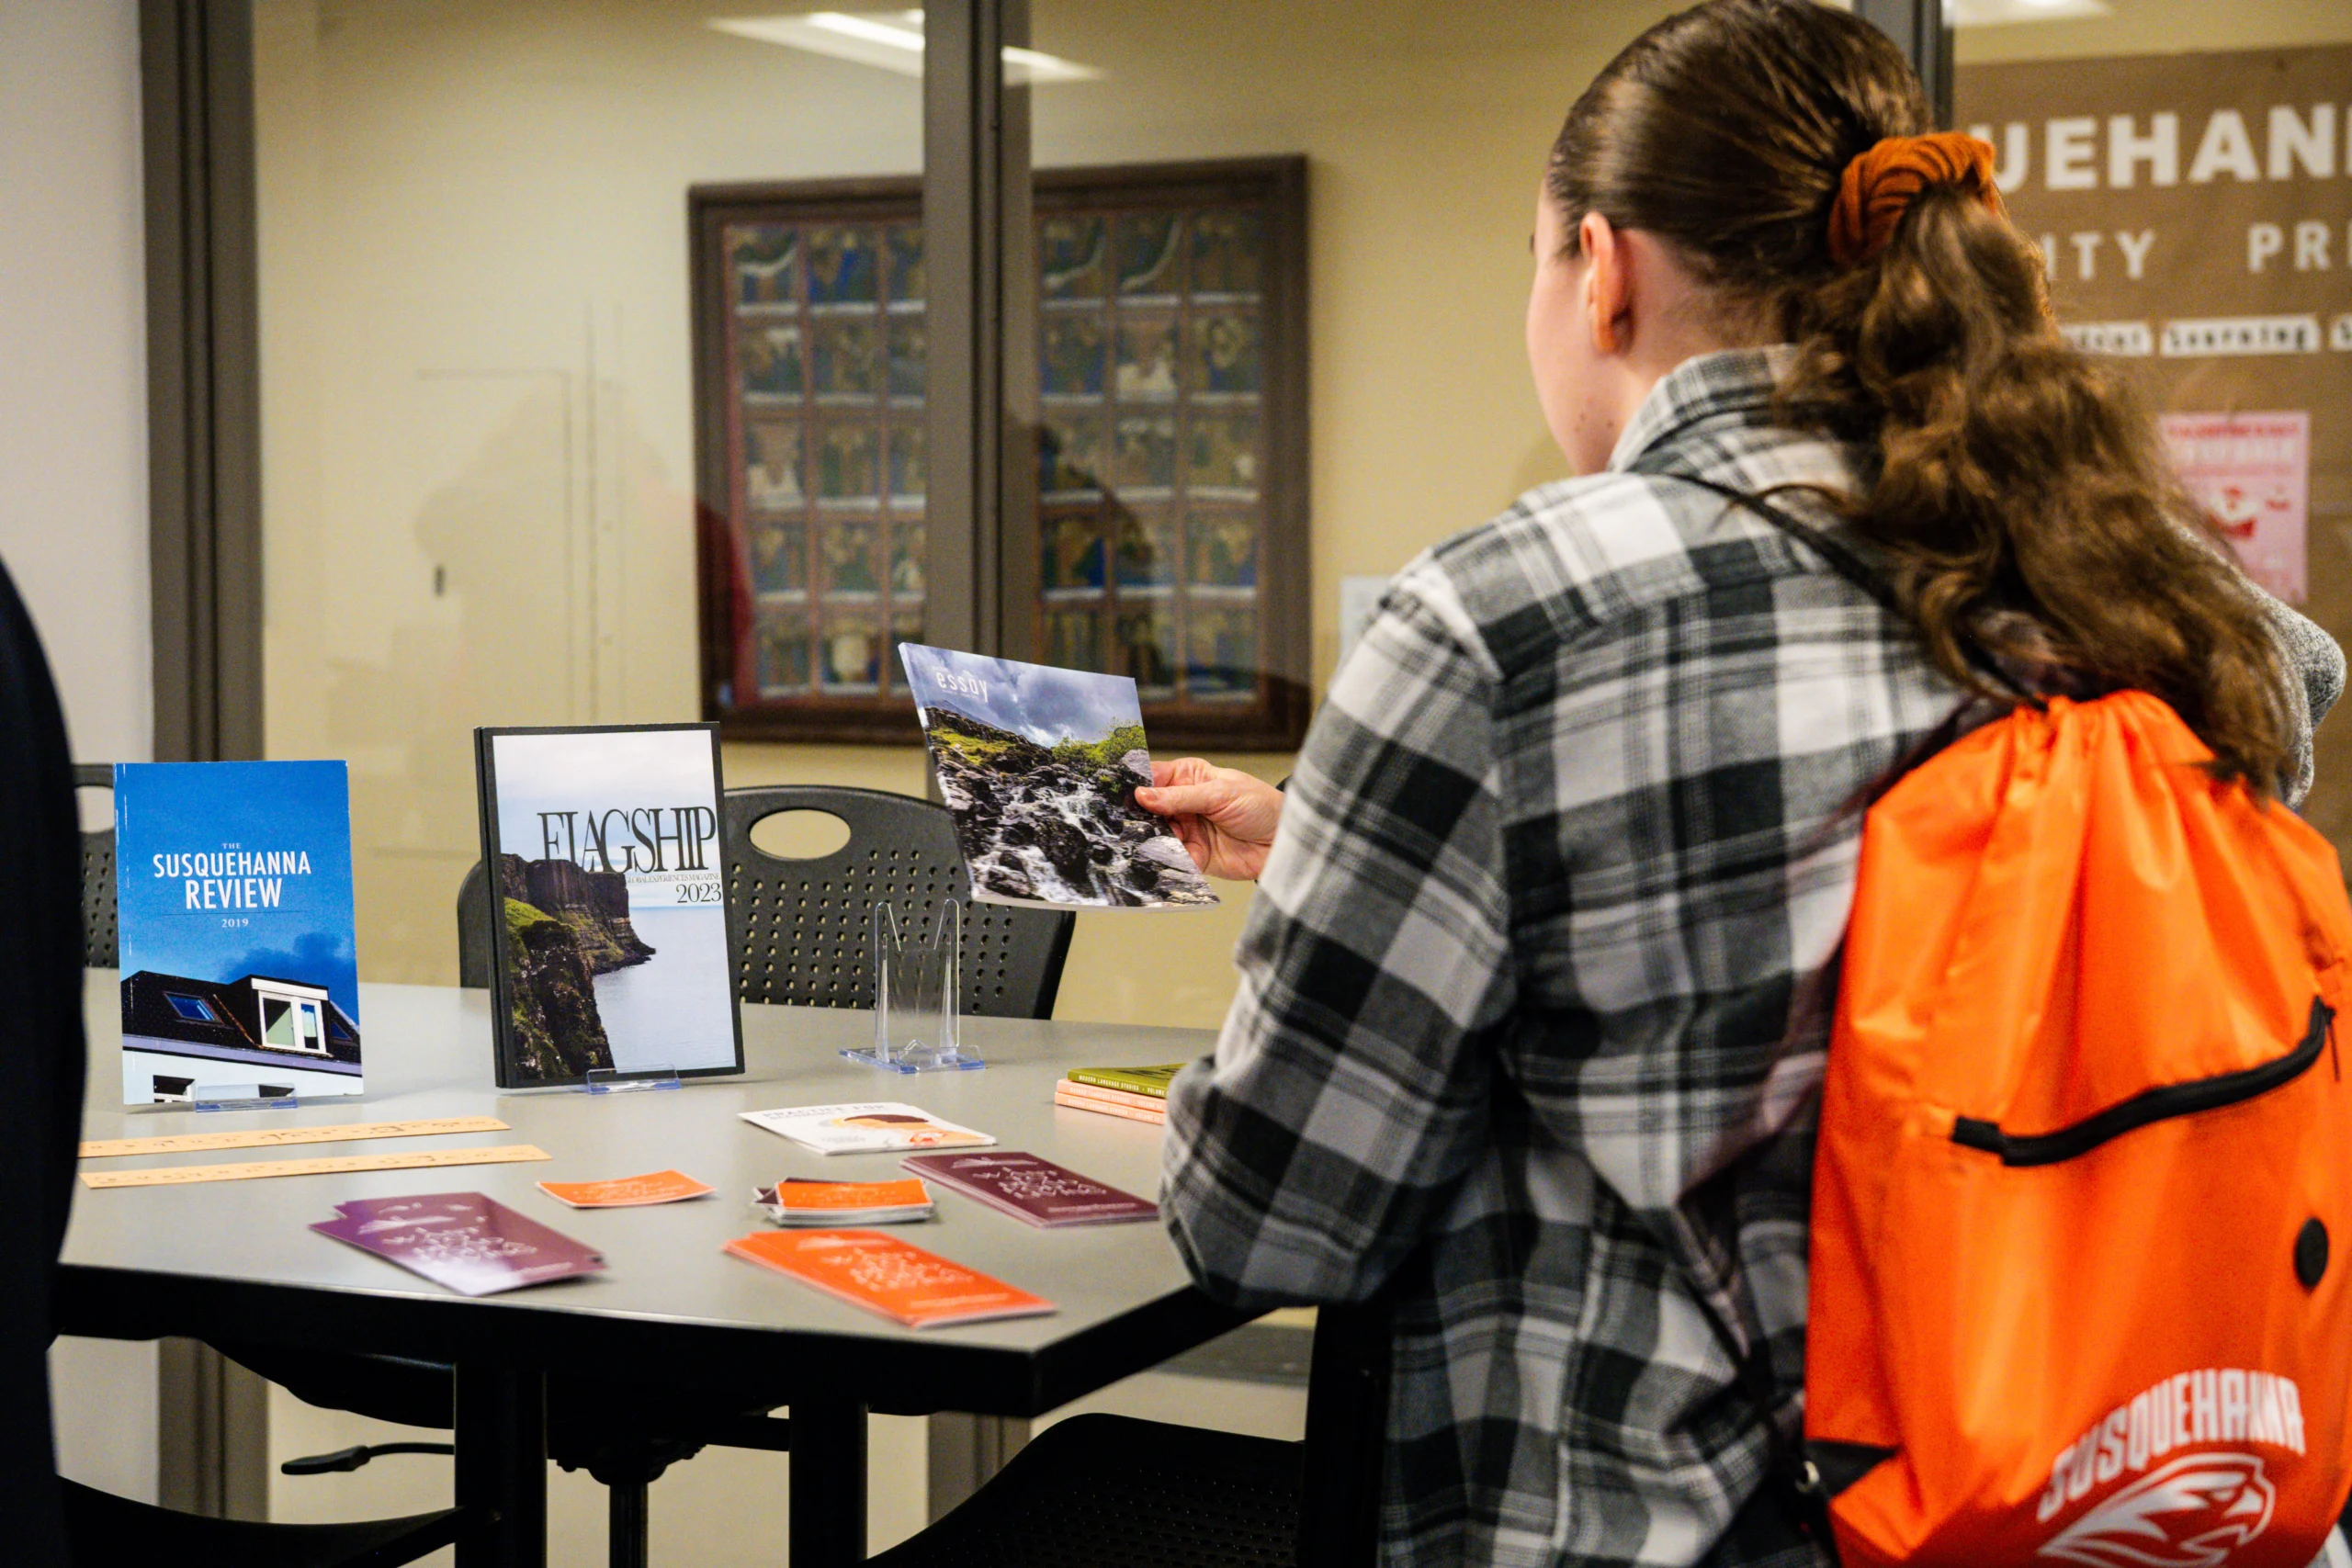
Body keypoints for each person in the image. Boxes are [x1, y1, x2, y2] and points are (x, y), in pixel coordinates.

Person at [1135, 2, 2345, 1564]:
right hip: (2131, 1487)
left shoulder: (1513, 616)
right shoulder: (2139, 586)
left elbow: (1272, 1219)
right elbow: (1879, 889)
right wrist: (1341, 841)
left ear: (1603, 267)